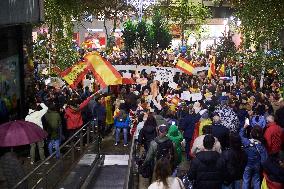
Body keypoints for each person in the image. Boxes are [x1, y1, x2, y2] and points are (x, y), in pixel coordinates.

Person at [239, 125, 268, 189]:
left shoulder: (246, 142)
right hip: (257, 165)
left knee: (246, 180)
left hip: (247, 165)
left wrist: (244, 128)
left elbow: (241, 136)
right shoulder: (261, 146)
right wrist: (262, 166)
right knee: (256, 180)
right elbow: (264, 159)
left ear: (251, 134)